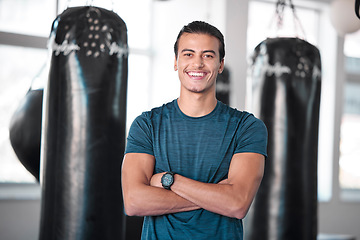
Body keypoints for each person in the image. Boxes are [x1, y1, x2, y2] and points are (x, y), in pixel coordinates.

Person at [121, 21, 268, 240]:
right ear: (176, 61)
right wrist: (216, 196)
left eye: (208, 55)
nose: (197, 63)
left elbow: (237, 204)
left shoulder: (246, 127)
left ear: (220, 65)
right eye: (188, 54)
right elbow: (134, 202)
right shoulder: (147, 125)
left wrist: (169, 181)